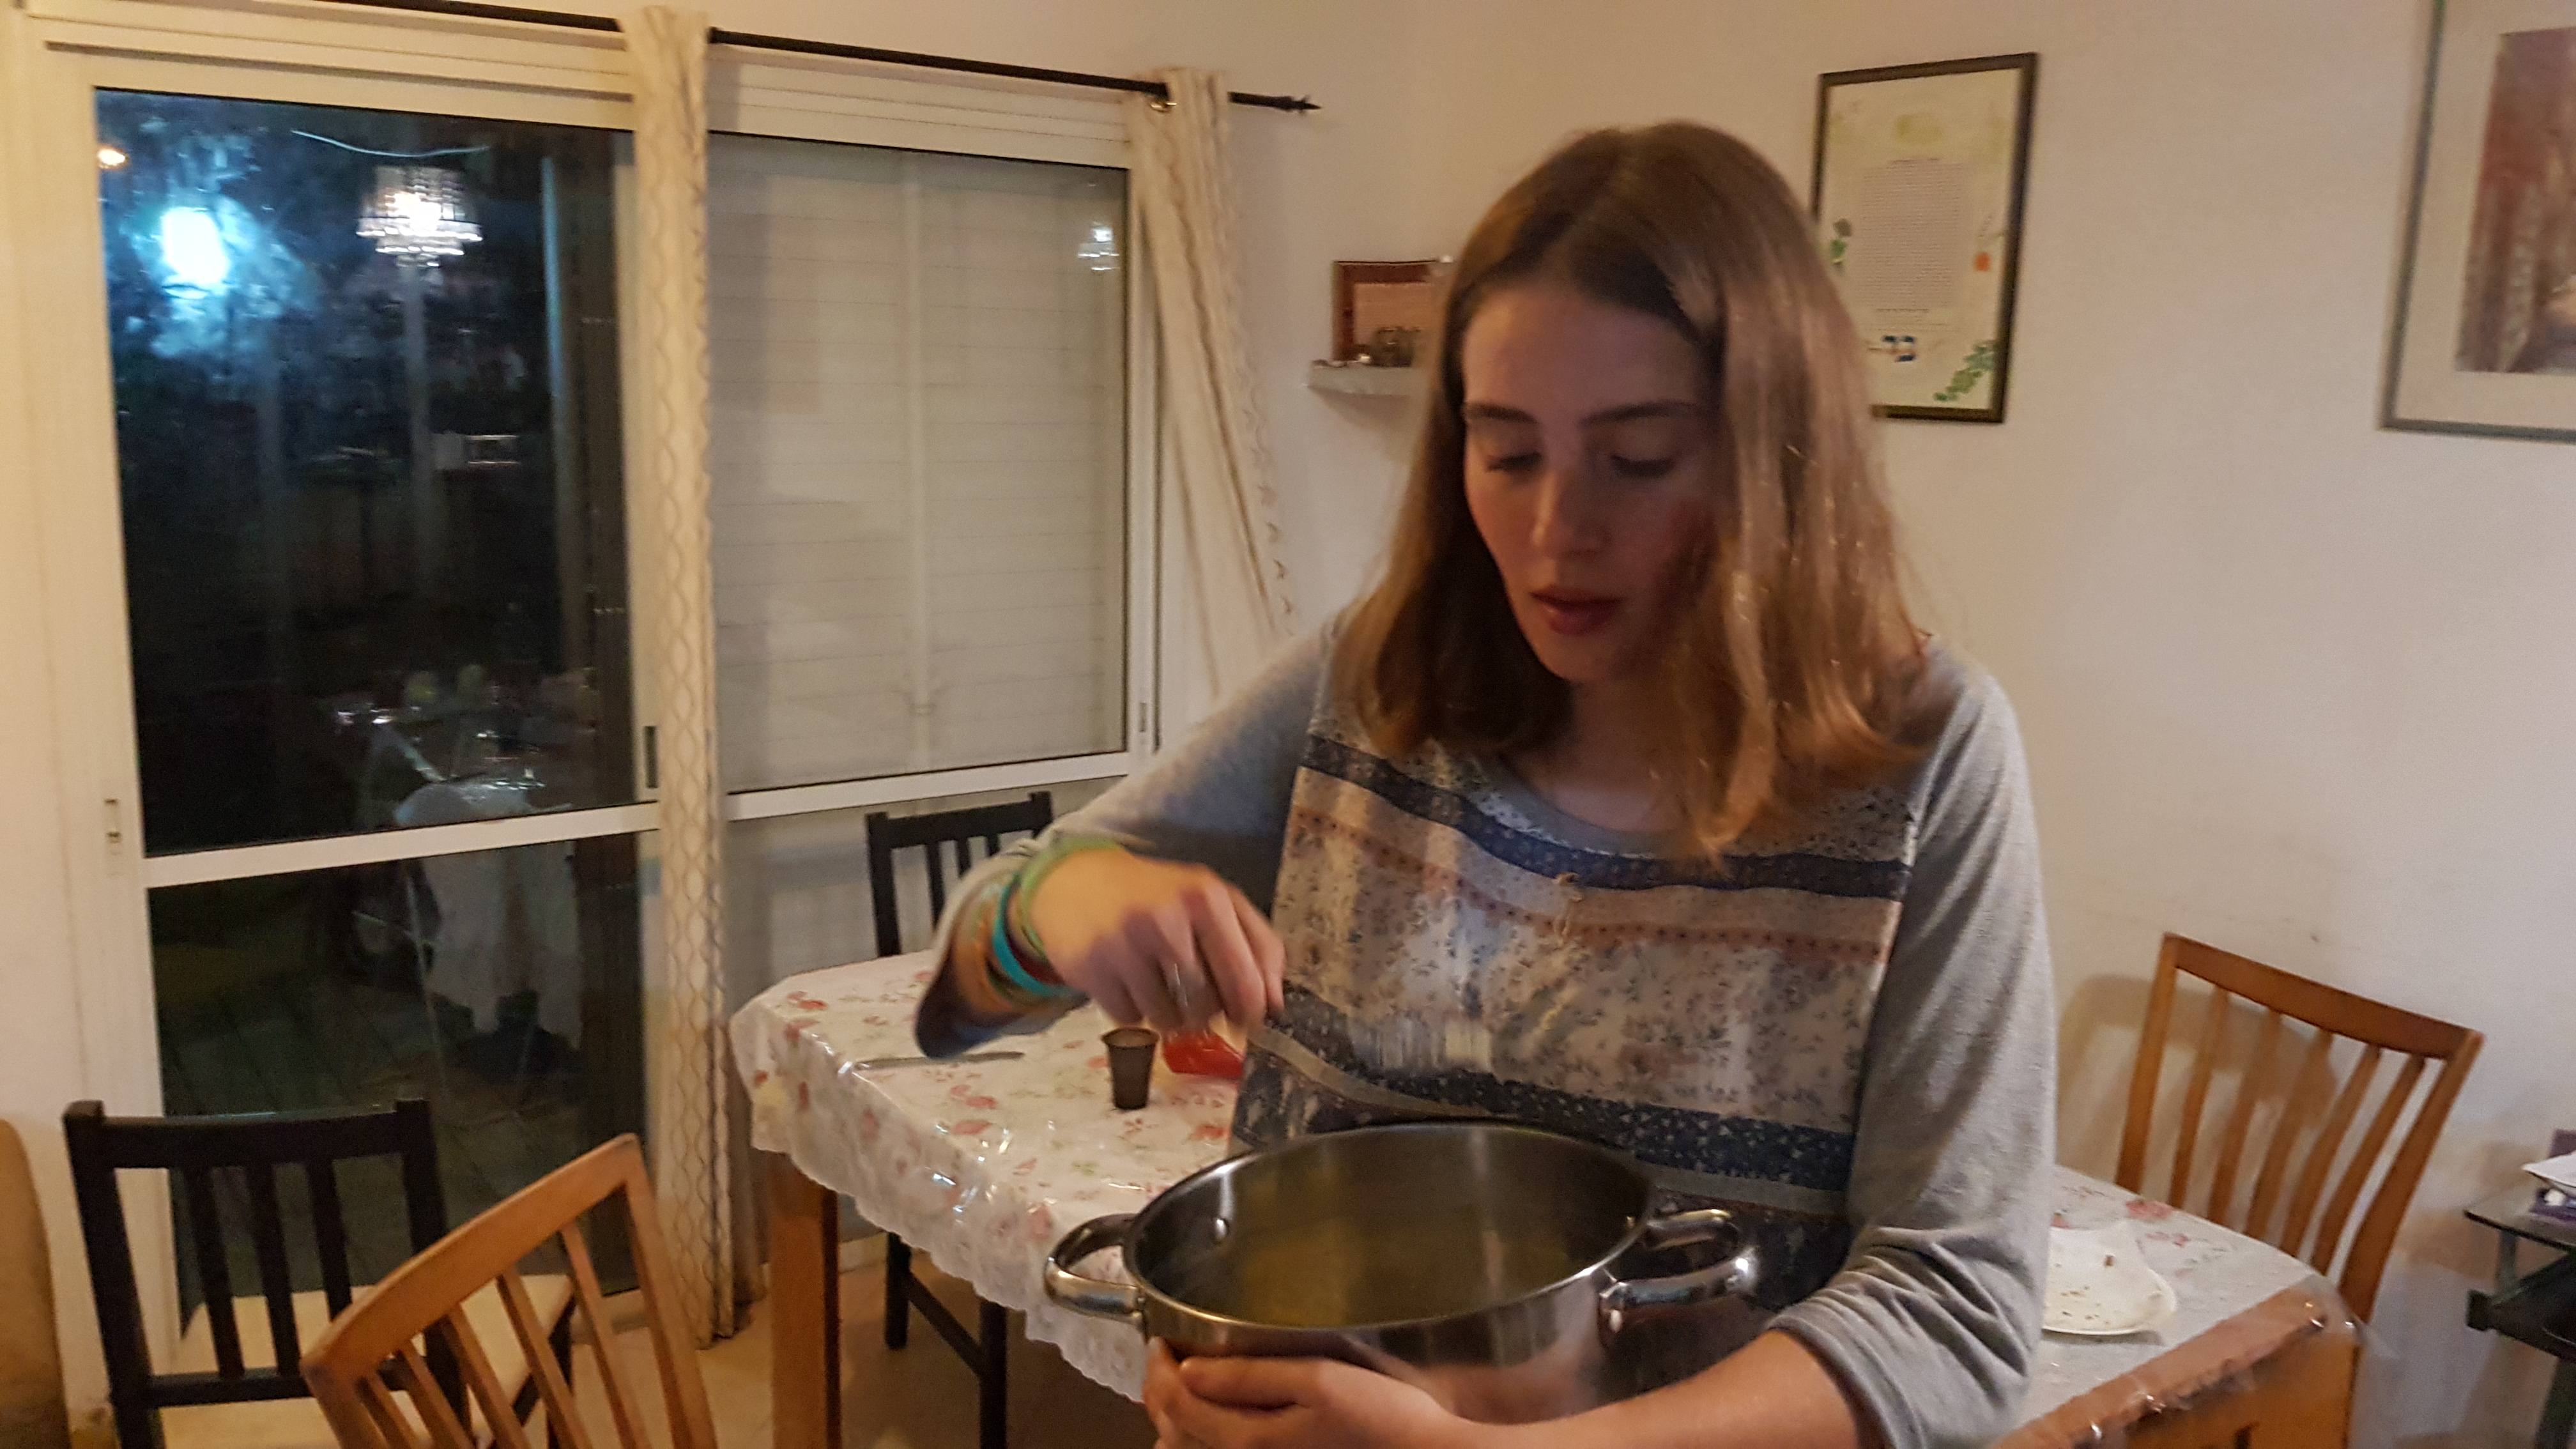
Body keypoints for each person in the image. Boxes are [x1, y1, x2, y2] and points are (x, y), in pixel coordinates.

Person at [913, 121, 2053, 1449]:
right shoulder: (1371, 684)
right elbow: (963, 992)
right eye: (1507, 452)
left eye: (1639, 458)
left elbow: (1954, 1309)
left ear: (1777, 459)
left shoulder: (1924, 758)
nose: (1558, 529)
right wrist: (1057, 905)